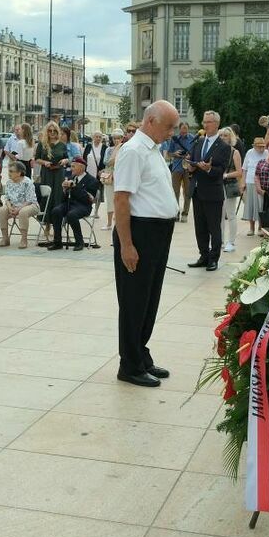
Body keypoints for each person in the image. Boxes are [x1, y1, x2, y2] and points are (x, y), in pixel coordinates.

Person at [112, 100, 179, 387]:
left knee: (150, 299)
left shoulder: (152, 149)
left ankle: (141, 355)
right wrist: (127, 245)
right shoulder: (133, 151)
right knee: (134, 300)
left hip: (159, 233)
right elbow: (121, 199)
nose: (171, 133)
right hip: (140, 233)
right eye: (168, 127)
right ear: (151, 121)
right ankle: (129, 364)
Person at [185, 111, 231, 271]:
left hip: (213, 192)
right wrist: (191, 167)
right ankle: (203, 256)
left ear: (217, 124)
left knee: (214, 227)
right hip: (197, 190)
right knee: (200, 227)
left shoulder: (224, 146)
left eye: (209, 122)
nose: (205, 125)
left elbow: (220, 171)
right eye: (204, 122)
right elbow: (194, 164)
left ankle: (214, 259)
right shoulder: (198, 142)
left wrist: (209, 169)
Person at [46, 155, 98, 251]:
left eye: (74, 166)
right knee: (56, 211)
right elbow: (65, 198)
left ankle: (79, 242)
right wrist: (64, 189)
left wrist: (75, 187)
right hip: (70, 203)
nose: (71, 168)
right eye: (72, 166)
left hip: (83, 206)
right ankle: (57, 242)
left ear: (82, 167)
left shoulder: (92, 180)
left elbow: (88, 199)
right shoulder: (71, 177)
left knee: (71, 215)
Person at [0, 161, 38, 248]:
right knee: (1, 211)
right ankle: (5, 238)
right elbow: (7, 198)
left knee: (23, 212)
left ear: (19, 173)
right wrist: (9, 207)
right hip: (13, 206)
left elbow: (29, 200)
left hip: (30, 205)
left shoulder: (27, 182)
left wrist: (18, 209)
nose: (9, 173)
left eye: (11, 171)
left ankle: (24, 239)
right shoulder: (9, 182)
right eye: (9, 171)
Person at [33, 121, 69, 222]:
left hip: (59, 173)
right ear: (47, 132)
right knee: (46, 195)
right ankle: (46, 223)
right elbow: (37, 159)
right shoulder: (42, 144)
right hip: (46, 173)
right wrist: (44, 162)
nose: (52, 133)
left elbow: (67, 158)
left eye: (54, 130)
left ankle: (56, 223)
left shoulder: (62, 144)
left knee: (58, 195)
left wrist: (65, 160)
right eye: (50, 130)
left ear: (57, 131)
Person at [162, 122, 196, 221]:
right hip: (177, 167)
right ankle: (176, 212)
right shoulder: (175, 139)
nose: (184, 130)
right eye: (182, 128)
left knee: (187, 191)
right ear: (180, 129)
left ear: (188, 129)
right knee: (175, 191)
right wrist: (175, 154)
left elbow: (196, 153)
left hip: (188, 166)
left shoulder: (193, 139)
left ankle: (185, 213)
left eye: (186, 128)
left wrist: (191, 156)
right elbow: (168, 154)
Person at [218, 127, 245, 253]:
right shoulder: (217, 150)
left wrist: (226, 175)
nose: (223, 137)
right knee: (219, 215)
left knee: (231, 214)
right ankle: (220, 241)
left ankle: (231, 242)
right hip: (217, 185)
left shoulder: (235, 152)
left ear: (231, 137)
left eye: (226, 135)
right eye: (222, 135)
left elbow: (239, 172)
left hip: (230, 186)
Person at [241, 136, 266, 236]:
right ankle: (251, 228)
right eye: (259, 147)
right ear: (254, 146)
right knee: (250, 205)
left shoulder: (267, 153)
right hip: (250, 182)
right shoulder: (250, 152)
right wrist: (243, 182)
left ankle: (260, 227)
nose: (261, 148)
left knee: (260, 206)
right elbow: (244, 169)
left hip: (262, 183)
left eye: (263, 146)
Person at [101, 129, 125, 229]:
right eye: (114, 138)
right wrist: (115, 158)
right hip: (110, 177)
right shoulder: (109, 149)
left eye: (118, 138)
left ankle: (118, 222)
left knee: (120, 200)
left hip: (121, 177)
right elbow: (106, 162)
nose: (116, 140)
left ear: (122, 138)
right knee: (110, 199)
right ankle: (109, 223)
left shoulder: (125, 148)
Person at [83, 131, 110, 217]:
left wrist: (103, 170)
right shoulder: (88, 146)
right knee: (87, 193)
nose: (98, 138)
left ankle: (96, 212)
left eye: (100, 137)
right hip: (88, 173)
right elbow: (84, 158)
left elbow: (107, 161)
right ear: (93, 137)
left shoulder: (105, 148)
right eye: (96, 137)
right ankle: (87, 210)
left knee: (98, 193)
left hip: (99, 174)